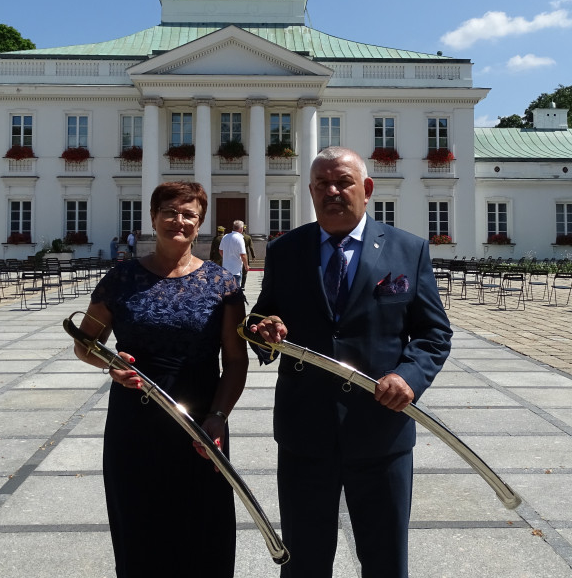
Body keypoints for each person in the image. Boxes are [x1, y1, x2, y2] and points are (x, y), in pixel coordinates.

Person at [250, 146, 452, 578]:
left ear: (367, 189)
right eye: (322, 184)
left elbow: (434, 333)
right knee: (303, 559)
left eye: (343, 182)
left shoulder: (407, 250)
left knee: (385, 559)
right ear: (310, 191)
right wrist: (263, 331)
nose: (333, 191)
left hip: (381, 430)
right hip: (305, 432)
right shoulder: (286, 251)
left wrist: (409, 376)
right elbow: (260, 318)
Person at [73, 182, 247, 578]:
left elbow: (235, 362)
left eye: (189, 214)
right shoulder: (121, 280)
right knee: (140, 529)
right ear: (153, 218)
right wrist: (109, 365)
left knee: (205, 529)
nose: (178, 221)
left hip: (202, 421)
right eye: (169, 211)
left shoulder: (222, 284)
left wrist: (219, 415)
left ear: (200, 224)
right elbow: (85, 344)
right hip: (135, 422)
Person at [220, 220, 248, 286]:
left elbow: (220, 250)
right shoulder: (240, 238)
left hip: (226, 268)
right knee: (235, 291)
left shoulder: (225, 236)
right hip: (236, 270)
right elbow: (243, 254)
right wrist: (246, 265)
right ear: (241, 229)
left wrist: (226, 258)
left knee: (227, 290)